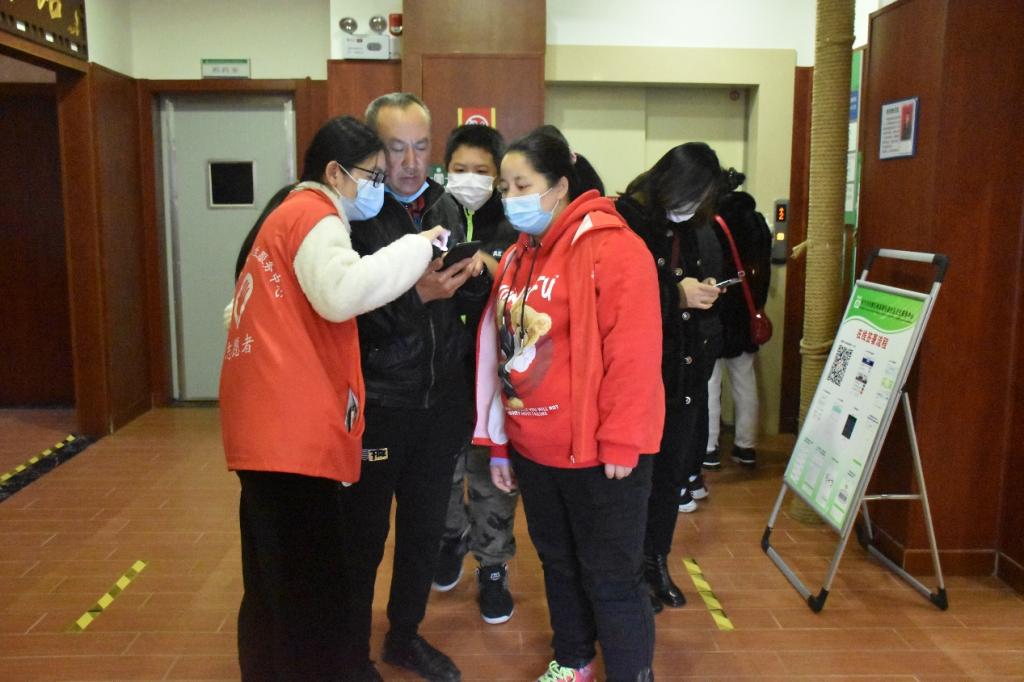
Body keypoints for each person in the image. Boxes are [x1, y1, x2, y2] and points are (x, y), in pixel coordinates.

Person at [219, 115, 443, 681]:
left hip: (264, 429)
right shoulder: (314, 215)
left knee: (270, 581)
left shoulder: (280, 217)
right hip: (291, 437)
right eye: (372, 174)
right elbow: (343, 293)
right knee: (309, 587)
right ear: (334, 172)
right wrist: (417, 247)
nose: (378, 186)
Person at [474, 128, 664, 682]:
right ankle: (574, 660)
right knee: (558, 565)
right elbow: (505, 353)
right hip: (535, 450)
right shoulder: (518, 255)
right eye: (505, 186)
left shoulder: (614, 247)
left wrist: (622, 439)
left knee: (612, 577)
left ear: (559, 186)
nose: (510, 197)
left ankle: (631, 673)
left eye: (522, 185)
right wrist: (501, 443)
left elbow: (634, 353)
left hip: (600, 454)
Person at [337, 93, 488, 682]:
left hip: (439, 403)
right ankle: (350, 653)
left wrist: (472, 279)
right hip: (378, 402)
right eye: (395, 148)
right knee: (363, 537)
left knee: (425, 532)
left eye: (421, 146)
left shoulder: (445, 205)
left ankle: (404, 637)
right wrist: (417, 296)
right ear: (374, 150)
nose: (409, 162)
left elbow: (456, 308)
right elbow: (343, 317)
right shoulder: (352, 214)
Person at [616, 143, 725, 614]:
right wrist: (675, 295)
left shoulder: (694, 227)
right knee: (635, 483)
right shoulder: (626, 220)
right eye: (691, 195)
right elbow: (618, 296)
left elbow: (695, 283)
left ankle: (656, 562)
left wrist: (704, 294)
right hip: (641, 375)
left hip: (685, 372)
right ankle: (629, 573)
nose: (694, 206)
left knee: (670, 478)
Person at [432, 124, 521, 625]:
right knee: (440, 475)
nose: (469, 179)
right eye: (459, 169)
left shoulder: (516, 222)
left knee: (493, 480)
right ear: (445, 170)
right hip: (441, 375)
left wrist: (490, 265)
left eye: (481, 171)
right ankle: (451, 538)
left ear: (498, 176)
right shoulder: (431, 214)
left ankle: (492, 566)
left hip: (495, 379)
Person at [705, 169, 772, 469]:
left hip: (715, 311)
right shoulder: (756, 221)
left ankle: (709, 447)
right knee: (745, 380)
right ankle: (746, 446)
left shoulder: (711, 222)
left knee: (710, 382)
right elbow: (764, 268)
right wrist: (757, 303)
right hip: (747, 310)